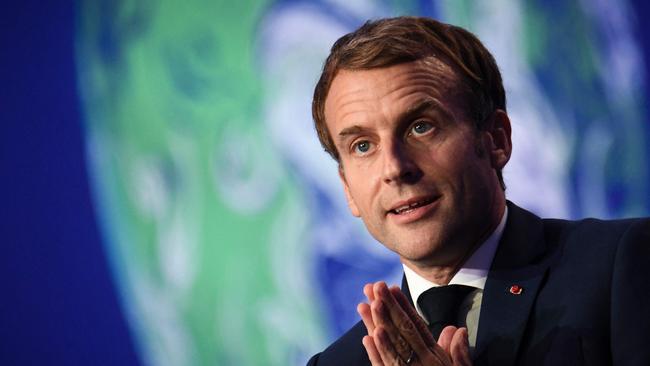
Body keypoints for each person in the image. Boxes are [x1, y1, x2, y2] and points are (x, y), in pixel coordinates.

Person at [306, 16, 650, 366]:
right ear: (347, 187)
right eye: (363, 146)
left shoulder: (623, 265)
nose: (394, 168)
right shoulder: (339, 363)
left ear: (497, 139)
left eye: (421, 127)